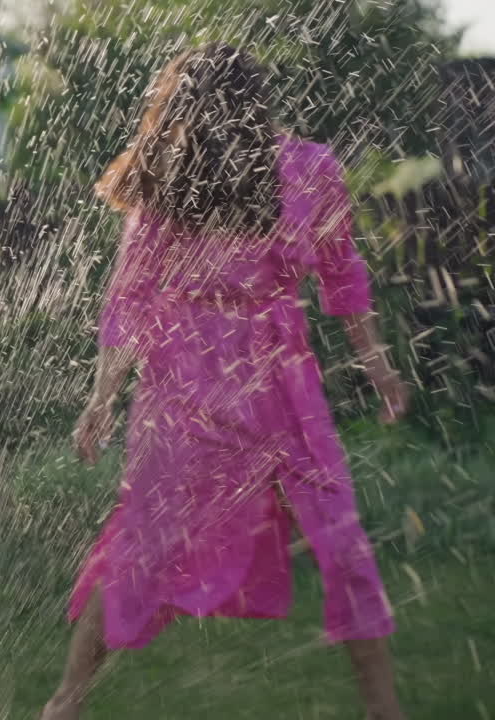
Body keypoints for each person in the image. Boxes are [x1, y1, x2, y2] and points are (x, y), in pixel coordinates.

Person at [40, 44, 411, 720]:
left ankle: (385, 712)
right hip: (187, 381)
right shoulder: (167, 184)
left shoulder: (307, 168)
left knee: (340, 537)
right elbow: (132, 295)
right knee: (144, 543)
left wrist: (375, 358)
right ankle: (66, 703)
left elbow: (341, 270)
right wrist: (100, 396)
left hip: (274, 377)